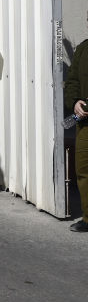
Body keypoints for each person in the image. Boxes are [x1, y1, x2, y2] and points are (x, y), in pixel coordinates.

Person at [65, 14, 88, 232]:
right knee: (83, 170)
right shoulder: (83, 50)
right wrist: (75, 102)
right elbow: (72, 81)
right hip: (85, 124)